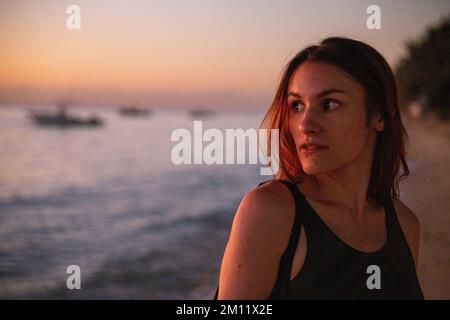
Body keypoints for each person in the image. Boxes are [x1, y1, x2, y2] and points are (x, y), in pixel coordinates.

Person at [215, 37, 424, 299]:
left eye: (329, 104)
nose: (305, 124)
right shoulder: (272, 211)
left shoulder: (404, 226)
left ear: (379, 115)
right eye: (297, 106)